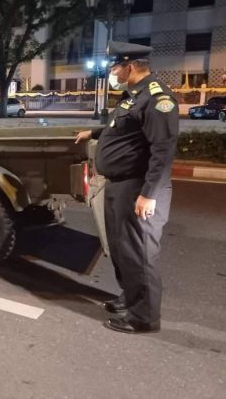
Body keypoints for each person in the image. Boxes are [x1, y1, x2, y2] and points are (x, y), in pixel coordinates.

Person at [75, 41, 179, 334]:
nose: (113, 73)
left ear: (130, 67)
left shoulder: (157, 99)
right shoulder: (133, 96)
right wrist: (94, 132)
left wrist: (148, 194)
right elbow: (124, 129)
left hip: (138, 187)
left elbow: (163, 150)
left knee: (139, 252)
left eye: (115, 68)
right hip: (119, 186)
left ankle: (143, 317)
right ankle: (130, 297)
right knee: (122, 249)